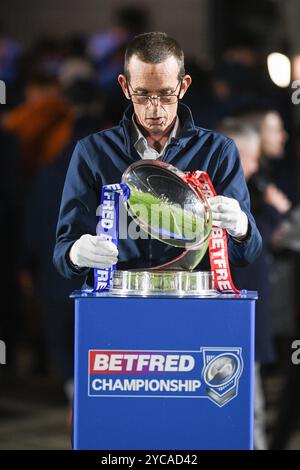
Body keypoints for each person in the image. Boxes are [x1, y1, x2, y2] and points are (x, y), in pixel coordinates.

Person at [53, 32, 262, 288]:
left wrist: (242, 229)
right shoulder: (93, 151)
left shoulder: (216, 151)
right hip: (120, 302)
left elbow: (247, 255)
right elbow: (62, 253)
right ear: (124, 86)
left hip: (190, 303)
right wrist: (75, 253)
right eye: (142, 94)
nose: (154, 109)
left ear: (184, 86)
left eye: (166, 94)